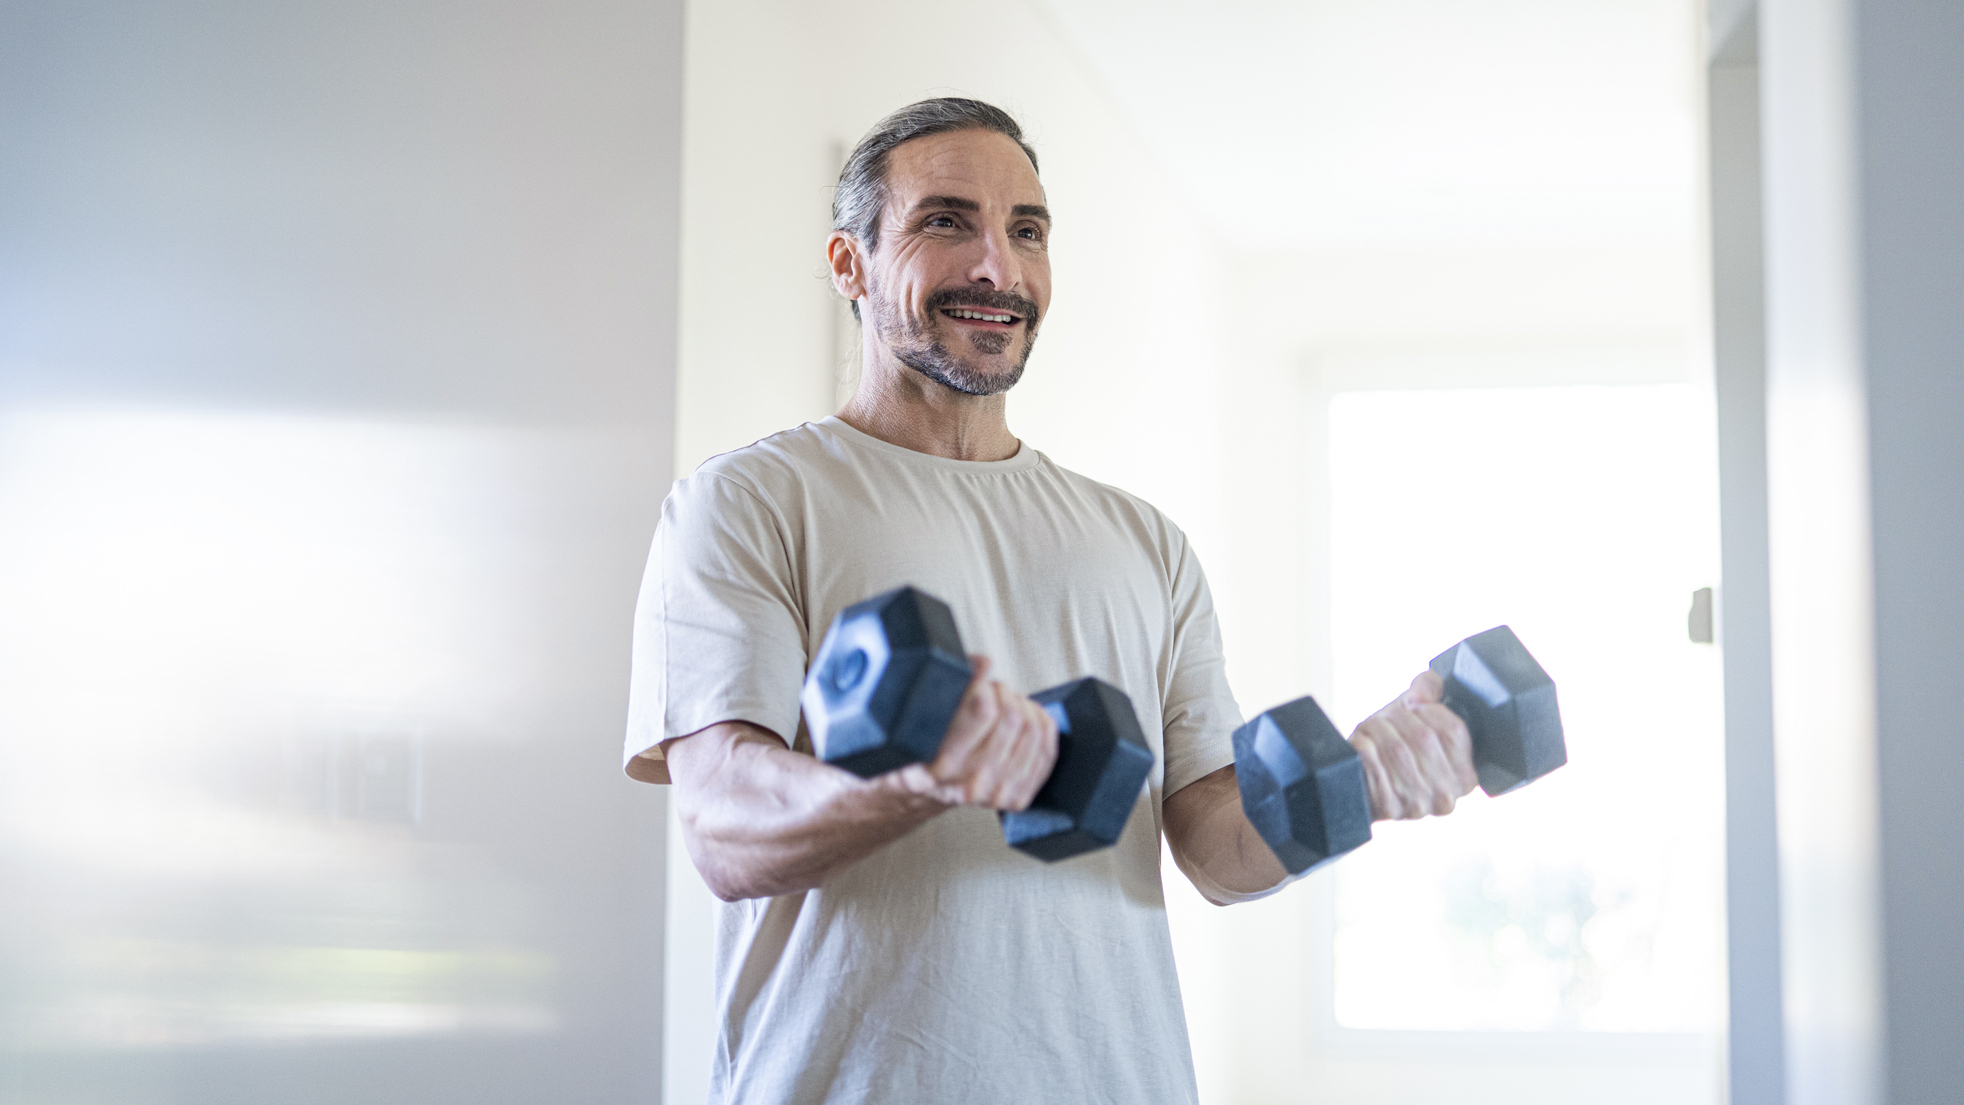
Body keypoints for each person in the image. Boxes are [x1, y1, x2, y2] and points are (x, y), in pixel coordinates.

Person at [624, 97, 1478, 1104]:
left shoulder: (1143, 542)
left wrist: (1353, 783)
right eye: (945, 221)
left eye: (1025, 230)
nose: (997, 268)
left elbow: (1214, 843)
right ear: (848, 265)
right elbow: (723, 825)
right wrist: (916, 780)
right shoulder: (752, 501)